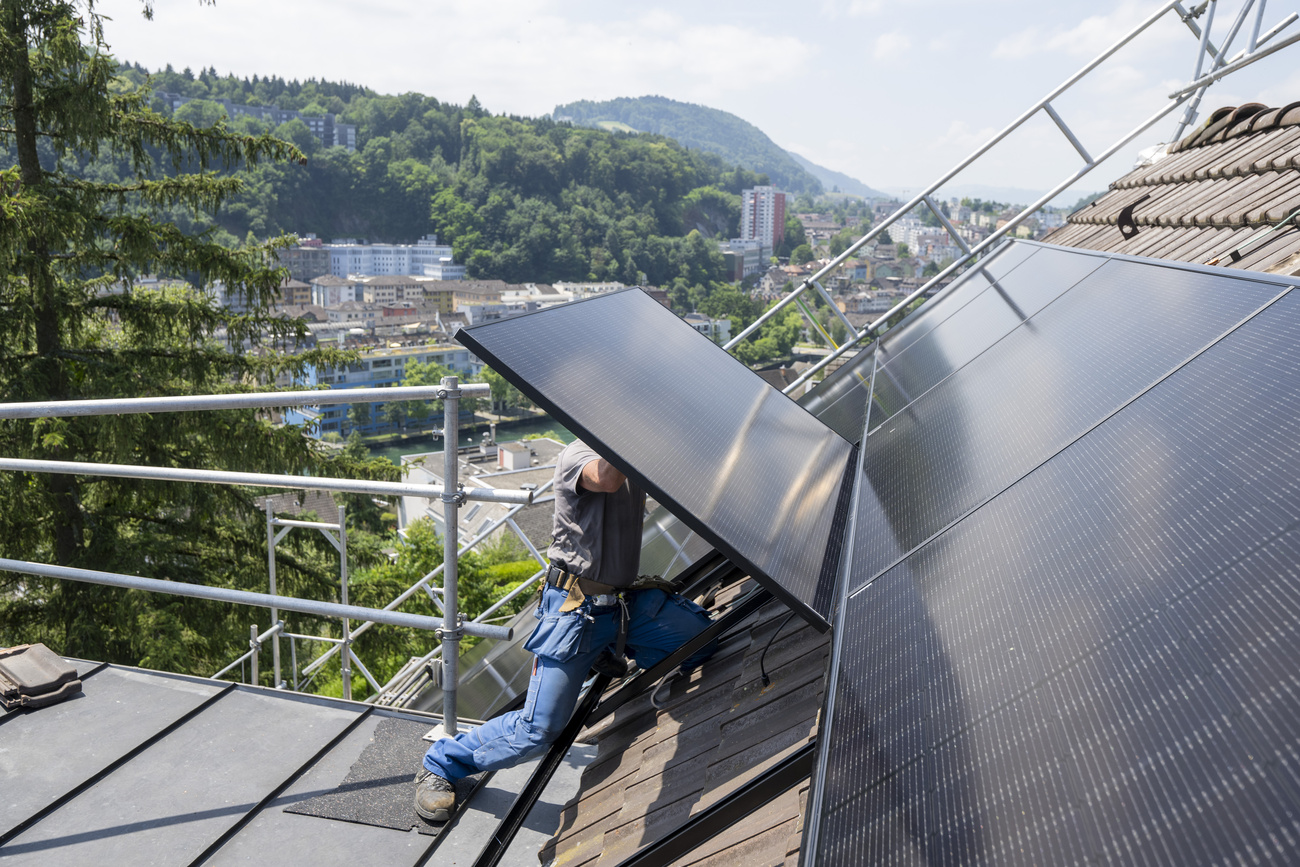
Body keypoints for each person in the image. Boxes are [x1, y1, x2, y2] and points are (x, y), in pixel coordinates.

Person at [414, 439, 717, 822]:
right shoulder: (579, 454)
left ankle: (608, 652)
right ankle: (442, 763)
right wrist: (631, 429)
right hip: (577, 612)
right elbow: (605, 478)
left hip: (624, 604)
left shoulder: (635, 458)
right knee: (538, 729)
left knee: (701, 641)